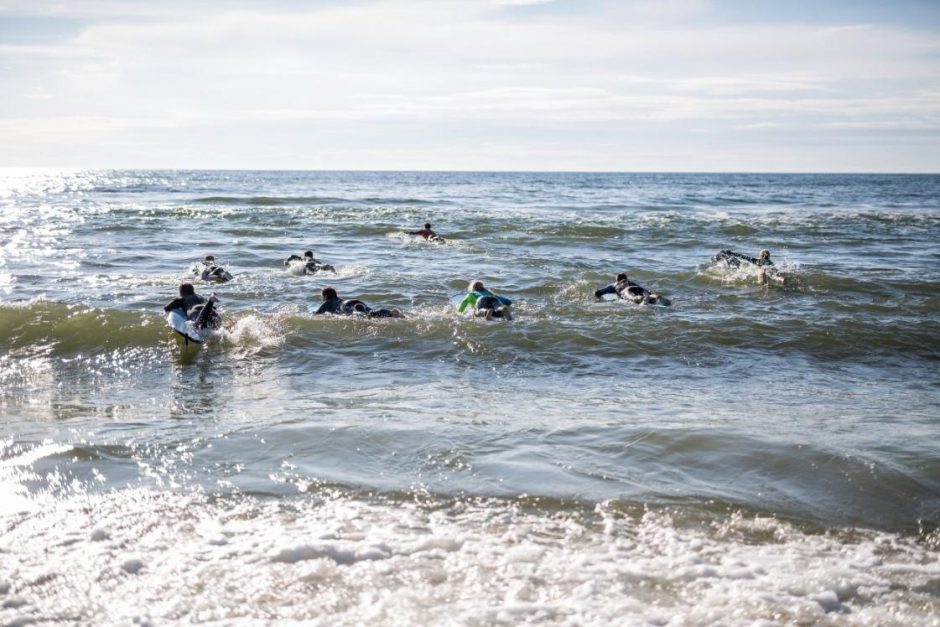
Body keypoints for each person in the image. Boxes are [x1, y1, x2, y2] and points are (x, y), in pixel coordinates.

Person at [313, 287, 404, 318]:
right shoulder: (339, 299)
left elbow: (316, 315)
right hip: (355, 301)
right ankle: (391, 313)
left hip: (345, 306)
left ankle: (362, 313)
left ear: (325, 296)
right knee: (371, 312)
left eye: (322, 296)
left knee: (362, 315)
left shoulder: (328, 302)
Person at [712, 249, 785, 285]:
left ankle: (767, 290)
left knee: (764, 284)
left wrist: (732, 253)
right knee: (779, 277)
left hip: (763, 269)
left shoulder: (757, 261)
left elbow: (743, 257)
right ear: (769, 256)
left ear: (761, 256)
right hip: (771, 268)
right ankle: (783, 282)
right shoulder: (771, 262)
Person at [594, 272, 671, 306]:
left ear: (617, 280)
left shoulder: (614, 285)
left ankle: (643, 299)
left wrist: (597, 296)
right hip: (638, 288)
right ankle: (656, 297)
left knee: (633, 298)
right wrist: (650, 293)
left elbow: (599, 292)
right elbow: (646, 290)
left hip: (627, 291)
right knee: (649, 297)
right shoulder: (631, 282)